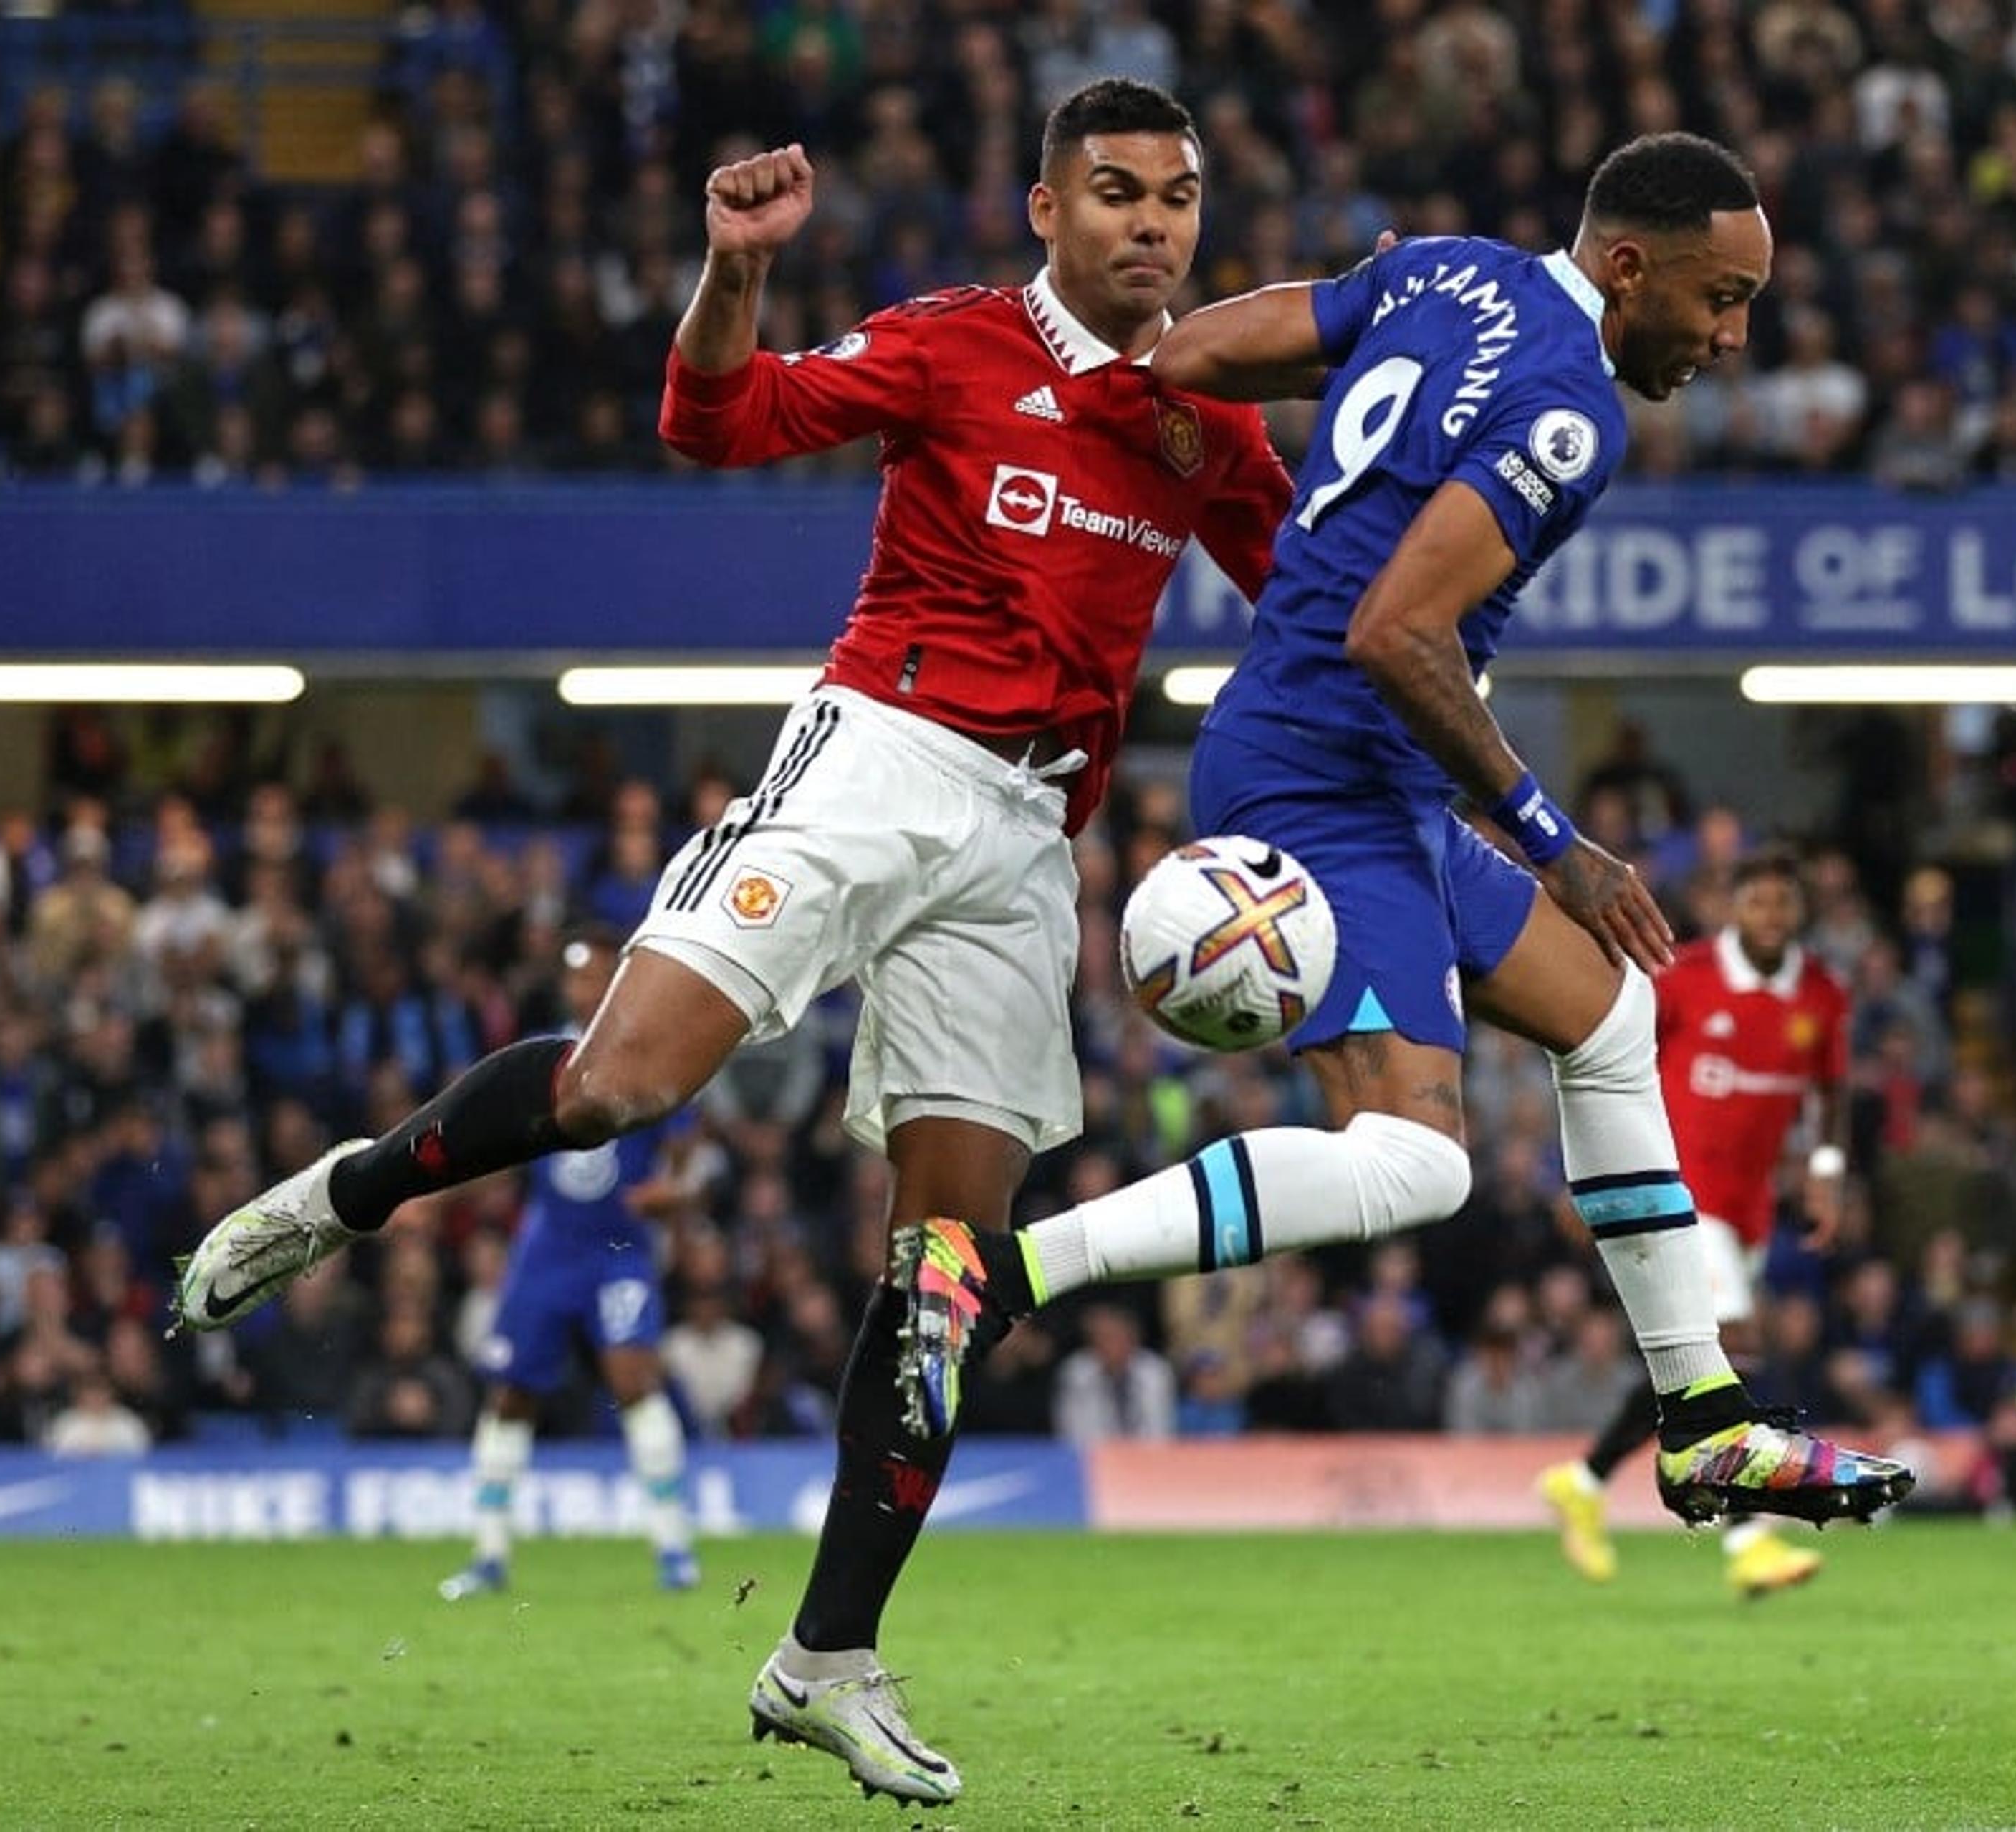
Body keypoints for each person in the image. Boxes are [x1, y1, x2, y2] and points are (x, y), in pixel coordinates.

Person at [169, 78, 1292, 1807]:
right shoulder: (947, 345)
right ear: (1044, 211)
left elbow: (1312, 595)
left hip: (1021, 843)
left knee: (947, 1283)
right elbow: (717, 420)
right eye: (1120, 193)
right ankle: (353, 1191)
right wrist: (735, 272)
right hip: (879, 757)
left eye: (1180, 197)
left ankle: (823, 1656)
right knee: (620, 1089)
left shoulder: (1205, 423)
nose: (1155, 225)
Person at [893, 132, 1912, 1636]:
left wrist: (1138, 418)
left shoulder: (1450, 272)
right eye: (1720, 296)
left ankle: (1700, 1421)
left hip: (1366, 773)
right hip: (1323, 776)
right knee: (1416, 1162)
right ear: (1630, 267)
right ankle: (997, 1272)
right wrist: (1554, 834)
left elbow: (1199, 350)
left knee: (1613, 1015)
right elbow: (1394, 630)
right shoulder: (1570, 409)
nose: (1733, 335)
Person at [1536, 846, 1854, 1600]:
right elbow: (1604, 1060)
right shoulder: (1684, 977)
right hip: (1680, 1194)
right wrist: (1582, 1172)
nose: (1771, 916)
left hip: (1748, 1210)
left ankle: (1583, 1481)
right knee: (1732, 1344)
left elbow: (1832, 1093)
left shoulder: (1821, 995)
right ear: (1732, 909)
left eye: (1783, 903)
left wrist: (1828, 1173)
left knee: (1685, 1361)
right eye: (1757, 902)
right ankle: (1748, 1539)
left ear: (1797, 911)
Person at [437, 926, 711, 1601]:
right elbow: (502, 1150)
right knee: (512, 1393)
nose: (584, 988)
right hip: (547, 1248)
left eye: (594, 975)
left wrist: (672, 1196)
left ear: (617, 979)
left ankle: (675, 1547)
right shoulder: (543, 1056)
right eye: (575, 977)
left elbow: (688, 1163)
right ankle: (490, 1554)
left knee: (635, 1379)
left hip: (618, 1250)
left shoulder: (647, 1050)